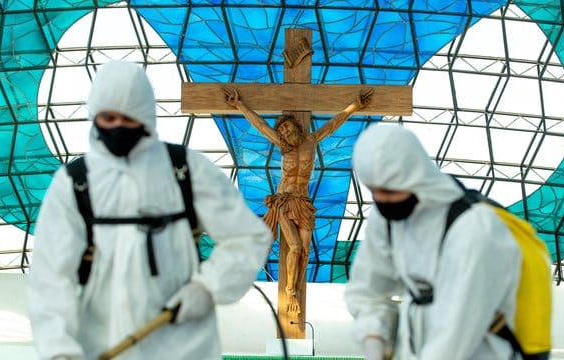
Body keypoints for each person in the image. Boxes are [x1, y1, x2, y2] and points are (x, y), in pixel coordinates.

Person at [28, 61, 272, 360]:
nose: (117, 126)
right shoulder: (74, 183)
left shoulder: (185, 170)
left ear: (145, 117)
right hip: (102, 345)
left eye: (128, 119)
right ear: (94, 116)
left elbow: (248, 237)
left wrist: (207, 287)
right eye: (108, 117)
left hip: (185, 347)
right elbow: (50, 275)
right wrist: (59, 350)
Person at [344, 125, 522, 359]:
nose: (381, 199)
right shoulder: (386, 219)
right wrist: (373, 336)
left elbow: (458, 329)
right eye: (373, 190)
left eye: (390, 190)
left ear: (414, 176)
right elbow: (368, 289)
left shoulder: (474, 227)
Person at [223, 86, 373, 314]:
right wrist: (239, 105)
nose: (283, 132)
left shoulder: (311, 141)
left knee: (304, 251)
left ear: (296, 126)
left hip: (303, 203)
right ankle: (290, 291)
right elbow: (261, 126)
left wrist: (355, 106)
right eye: (281, 130)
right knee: (293, 246)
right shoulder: (283, 147)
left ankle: (294, 289)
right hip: (284, 201)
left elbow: (333, 125)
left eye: (286, 127)